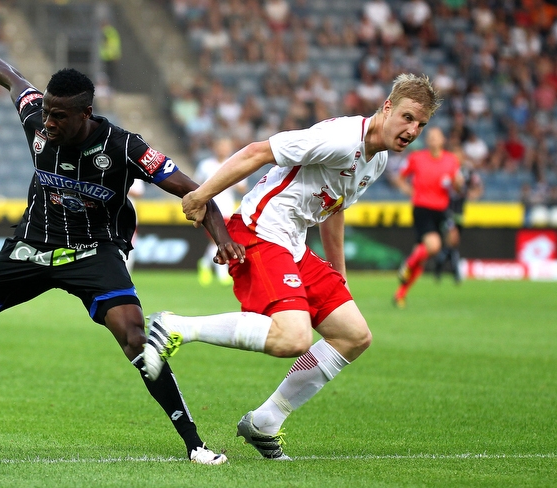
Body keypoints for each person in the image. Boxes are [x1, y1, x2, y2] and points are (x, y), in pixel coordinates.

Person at [0, 25, 242, 465]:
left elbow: (194, 191)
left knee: (135, 338)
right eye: (46, 113)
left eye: (58, 116)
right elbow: (11, 76)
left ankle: (194, 444)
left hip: (93, 253)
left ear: (85, 113)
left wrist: (222, 238)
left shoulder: (125, 147)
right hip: (31, 245)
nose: (47, 123)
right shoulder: (38, 122)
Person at [141, 73, 441, 460]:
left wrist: (338, 273)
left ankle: (265, 421)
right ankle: (177, 326)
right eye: (408, 117)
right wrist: (200, 195)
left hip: (293, 242)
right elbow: (256, 152)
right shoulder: (339, 138)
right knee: (293, 338)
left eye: (421, 124)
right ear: (387, 108)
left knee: (353, 335)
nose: (412, 130)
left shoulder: (377, 158)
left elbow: (335, 210)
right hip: (260, 230)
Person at [391, 126, 462, 307]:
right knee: (434, 246)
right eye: (429, 137)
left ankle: (400, 294)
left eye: (436, 136)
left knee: (421, 257)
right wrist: (408, 190)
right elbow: (400, 177)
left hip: (442, 211)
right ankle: (407, 264)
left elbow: (458, 187)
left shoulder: (451, 161)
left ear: (442, 140)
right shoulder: (416, 158)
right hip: (422, 209)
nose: (432, 139)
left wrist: (459, 183)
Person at [194, 137, 249, 286]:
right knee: (216, 240)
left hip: (227, 208)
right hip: (210, 208)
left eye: (226, 147)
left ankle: (206, 264)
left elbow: (242, 187)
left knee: (222, 240)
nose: (223, 149)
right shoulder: (206, 165)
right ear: (215, 148)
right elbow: (196, 185)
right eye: (221, 146)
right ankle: (221, 271)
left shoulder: (233, 164)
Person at [433, 147, 483, 283]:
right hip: (446, 211)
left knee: (452, 244)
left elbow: (478, 185)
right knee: (452, 240)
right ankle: (456, 273)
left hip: (460, 213)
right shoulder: (445, 170)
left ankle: (438, 266)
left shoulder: (467, 171)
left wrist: (474, 194)